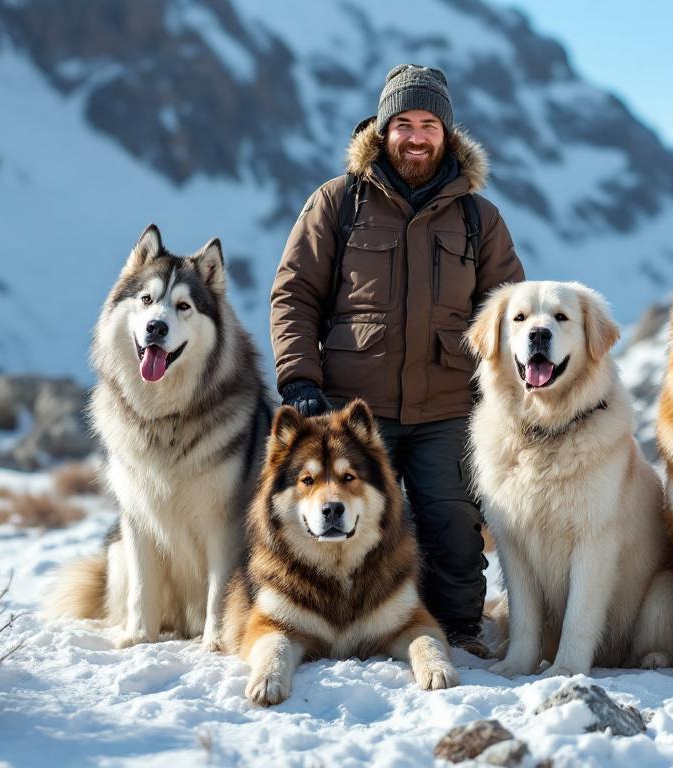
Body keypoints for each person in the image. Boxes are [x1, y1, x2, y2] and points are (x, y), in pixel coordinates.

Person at [270, 64, 524, 652]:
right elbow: (295, 294)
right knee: (351, 518)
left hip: (448, 406)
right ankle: (337, 623)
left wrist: (506, 392)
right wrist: (299, 380)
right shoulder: (338, 202)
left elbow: (508, 312)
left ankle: (457, 629)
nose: (416, 137)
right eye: (403, 123)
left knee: (453, 524)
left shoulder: (479, 219)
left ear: (447, 134)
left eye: (429, 125)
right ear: (383, 130)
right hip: (353, 409)